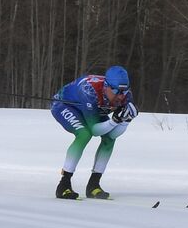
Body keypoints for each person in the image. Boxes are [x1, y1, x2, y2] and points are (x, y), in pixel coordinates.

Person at [51, 65, 137, 200]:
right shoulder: (89, 90)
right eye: (116, 91)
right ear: (106, 86)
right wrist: (114, 121)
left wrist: (126, 121)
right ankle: (63, 184)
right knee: (84, 134)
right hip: (66, 105)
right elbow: (95, 130)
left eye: (124, 91)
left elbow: (112, 134)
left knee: (109, 139)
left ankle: (93, 185)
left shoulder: (126, 95)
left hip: (94, 108)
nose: (121, 96)